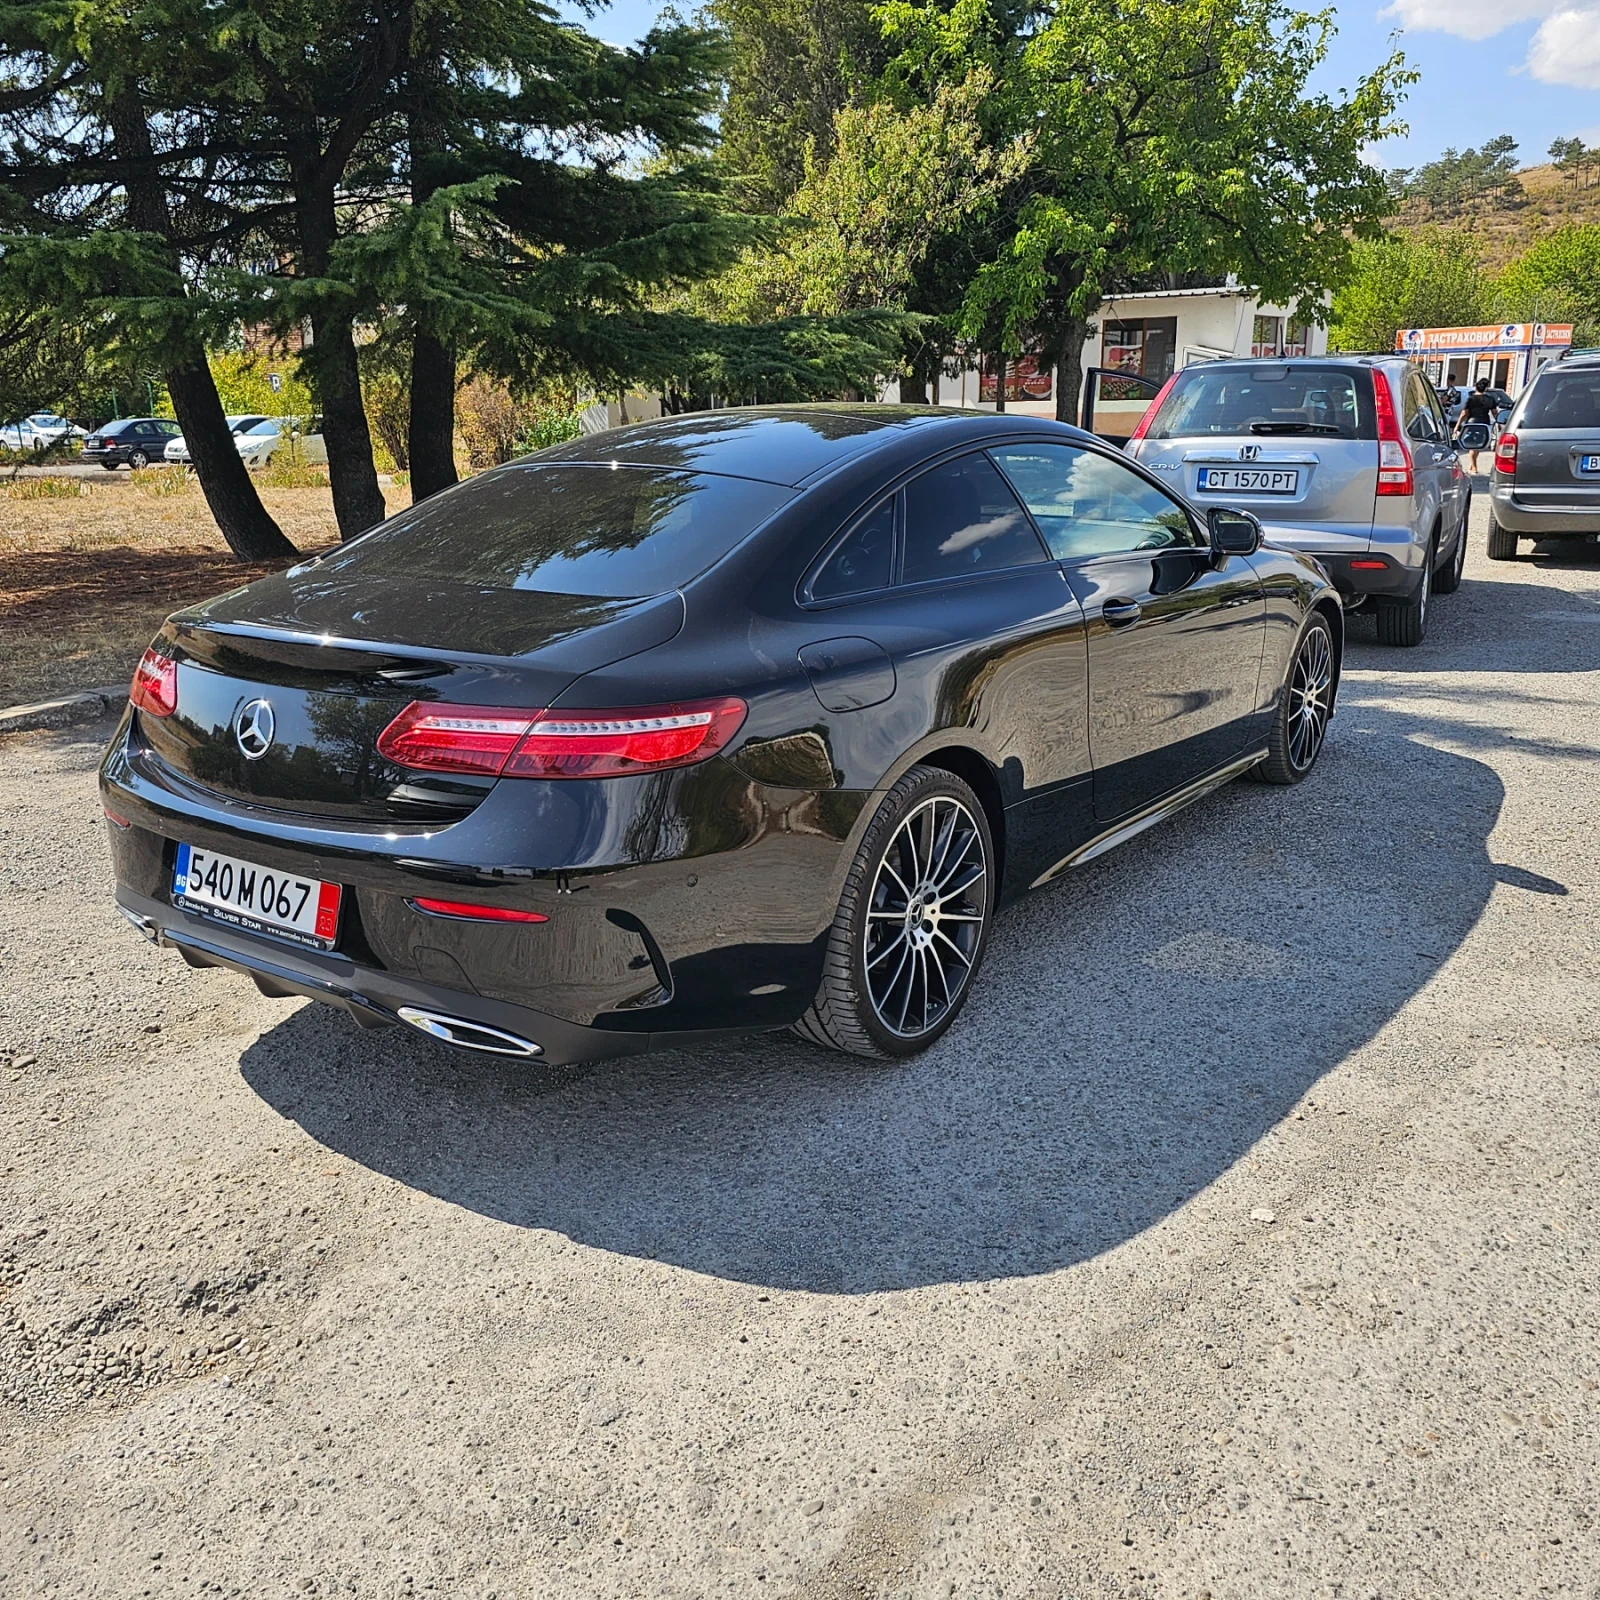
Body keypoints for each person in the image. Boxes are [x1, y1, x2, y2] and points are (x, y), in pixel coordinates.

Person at [1455, 377, 1496, 473]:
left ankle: (1474, 467)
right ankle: (1472, 466)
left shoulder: (1471, 399)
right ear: (1485, 388)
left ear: (1476, 387)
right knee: (1478, 445)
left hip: (1472, 423)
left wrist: (1457, 425)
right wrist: (1498, 422)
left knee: (1472, 446)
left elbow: (1464, 413)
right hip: (1484, 424)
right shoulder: (1490, 399)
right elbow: (1494, 412)